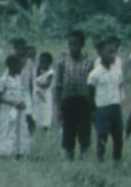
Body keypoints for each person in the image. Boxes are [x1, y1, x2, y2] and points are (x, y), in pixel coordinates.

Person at [54, 29, 93, 160]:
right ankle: (68, 157)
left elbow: (92, 86)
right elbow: (58, 85)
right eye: (70, 44)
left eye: (75, 44)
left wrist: (93, 105)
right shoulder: (62, 61)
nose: (72, 47)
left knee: (84, 131)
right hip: (68, 101)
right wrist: (58, 107)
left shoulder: (89, 62)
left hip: (84, 101)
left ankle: (84, 156)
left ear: (82, 45)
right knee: (68, 131)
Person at [88, 36, 125, 164]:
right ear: (100, 53)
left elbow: (120, 87)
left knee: (118, 137)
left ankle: (117, 161)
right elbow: (91, 95)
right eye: (109, 52)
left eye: (114, 52)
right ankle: (99, 160)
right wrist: (93, 112)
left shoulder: (117, 71)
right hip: (102, 108)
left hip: (115, 107)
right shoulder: (95, 73)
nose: (112, 55)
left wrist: (120, 101)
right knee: (102, 136)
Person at [0, 51, 31, 158]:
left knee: (18, 131)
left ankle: (18, 151)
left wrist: (22, 103)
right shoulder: (4, 80)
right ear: (12, 66)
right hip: (7, 111)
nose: (21, 68)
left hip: (18, 111)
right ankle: (5, 151)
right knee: (7, 130)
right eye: (19, 66)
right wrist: (12, 103)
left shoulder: (18, 78)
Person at [32, 50, 55, 134]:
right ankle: (37, 130)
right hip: (37, 95)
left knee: (46, 112)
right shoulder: (38, 70)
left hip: (46, 95)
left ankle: (46, 129)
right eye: (41, 62)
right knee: (38, 112)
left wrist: (39, 84)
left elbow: (47, 84)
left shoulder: (50, 72)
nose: (43, 64)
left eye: (45, 62)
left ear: (49, 63)